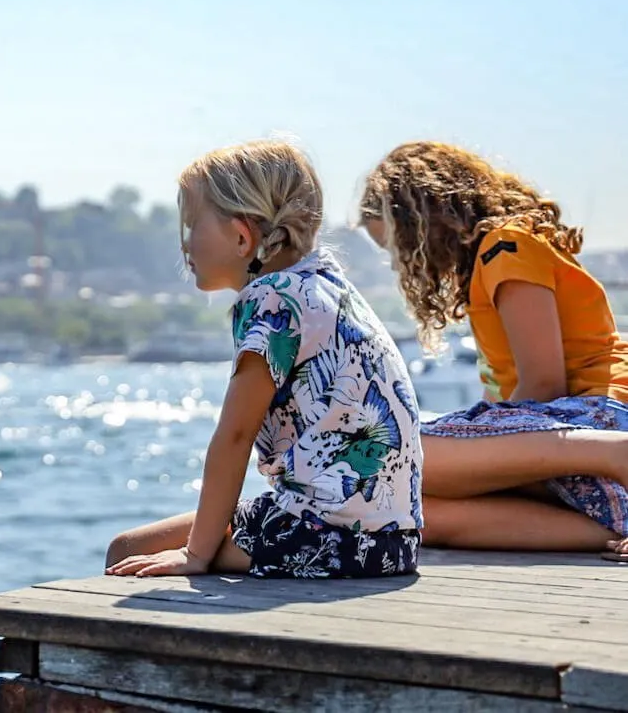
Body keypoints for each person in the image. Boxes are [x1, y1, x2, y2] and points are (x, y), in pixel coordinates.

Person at [106, 140, 423, 579]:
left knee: (126, 552)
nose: (184, 244)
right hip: (393, 540)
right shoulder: (326, 284)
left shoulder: (271, 300)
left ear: (241, 237)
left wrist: (195, 555)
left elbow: (235, 436)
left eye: (191, 226)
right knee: (133, 548)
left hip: (331, 538)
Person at [358, 141, 628, 563]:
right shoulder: (488, 263)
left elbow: (544, 382)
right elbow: (510, 395)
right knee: (405, 509)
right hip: (564, 425)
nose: (398, 263)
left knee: (394, 454)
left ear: (426, 220)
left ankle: (617, 459)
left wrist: (477, 455)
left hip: (601, 415)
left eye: (397, 245)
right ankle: (614, 526)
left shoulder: (507, 247)